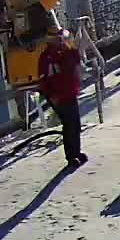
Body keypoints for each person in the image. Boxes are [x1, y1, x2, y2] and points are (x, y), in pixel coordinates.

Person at [38, 30, 87, 168]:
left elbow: (75, 62)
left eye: (60, 38)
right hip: (58, 96)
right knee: (69, 124)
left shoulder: (67, 51)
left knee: (75, 124)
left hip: (69, 92)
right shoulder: (47, 57)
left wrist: (74, 47)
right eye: (56, 38)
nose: (60, 41)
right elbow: (44, 79)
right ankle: (71, 157)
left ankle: (76, 152)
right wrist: (51, 96)